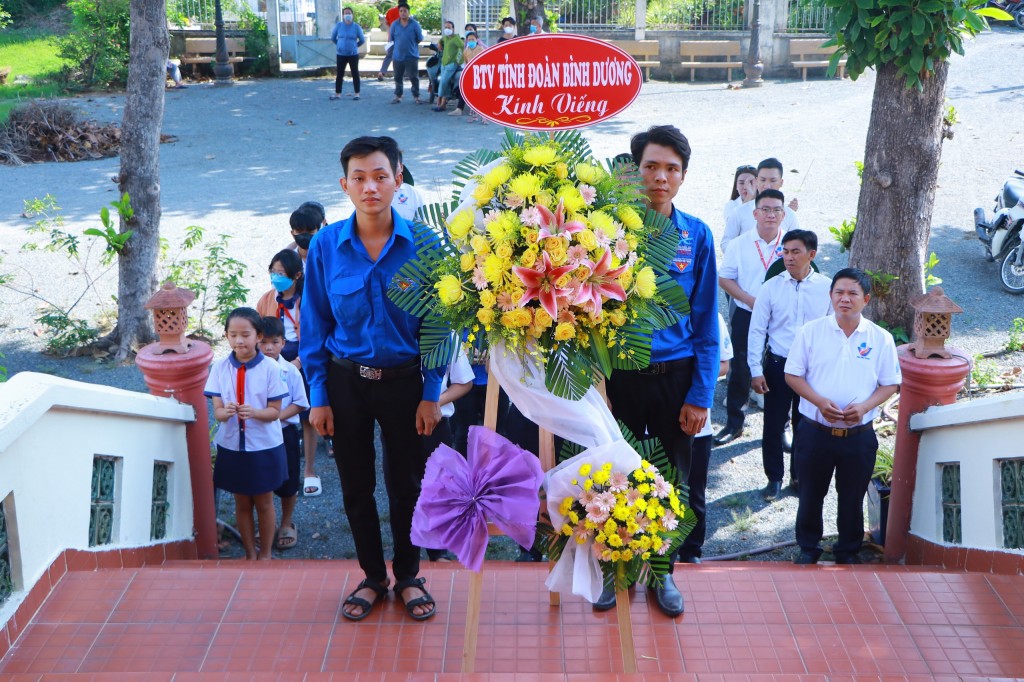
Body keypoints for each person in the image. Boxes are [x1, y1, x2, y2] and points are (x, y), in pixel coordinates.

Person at [300, 135, 444, 621]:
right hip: (347, 384)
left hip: (406, 384)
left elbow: (440, 324)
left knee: (408, 484)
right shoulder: (325, 245)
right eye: (359, 178)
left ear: (398, 179)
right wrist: (318, 396)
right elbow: (316, 324)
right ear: (345, 185)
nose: (370, 187)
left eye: (381, 176)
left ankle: (407, 575)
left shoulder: (426, 244)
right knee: (356, 485)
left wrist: (431, 393)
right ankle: (371, 577)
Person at [599, 125, 719, 617]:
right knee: (612, 477)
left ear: (684, 176)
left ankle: (663, 574)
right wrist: (598, 386)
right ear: (634, 171)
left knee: (674, 481)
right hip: (620, 376)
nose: (660, 177)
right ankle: (615, 569)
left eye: (671, 168)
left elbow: (707, 320)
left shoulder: (697, 235)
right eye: (651, 166)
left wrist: (701, 395)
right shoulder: (604, 231)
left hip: (676, 379)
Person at [785, 268, 901, 564]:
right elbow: (792, 375)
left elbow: (890, 383)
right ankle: (808, 548)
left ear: (866, 299)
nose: (844, 299)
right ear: (831, 296)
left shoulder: (881, 338)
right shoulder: (811, 332)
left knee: (852, 497)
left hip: (858, 436)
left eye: (852, 293)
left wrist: (864, 407)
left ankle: (847, 550)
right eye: (839, 293)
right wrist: (820, 401)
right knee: (811, 494)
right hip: (815, 431)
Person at [747, 229, 832, 500]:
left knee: (804, 424)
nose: (789, 257)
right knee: (773, 424)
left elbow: (832, 331)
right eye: (785, 251)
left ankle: (799, 476)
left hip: (810, 369)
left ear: (812, 254)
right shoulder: (771, 287)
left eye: (796, 251)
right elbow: (757, 330)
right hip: (777, 365)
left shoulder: (826, 288)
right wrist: (755, 370)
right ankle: (774, 478)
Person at [205, 308, 288, 561]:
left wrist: (255, 412)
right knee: (241, 502)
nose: (239, 340)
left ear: (258, 336)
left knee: (264, 502)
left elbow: (275, 412)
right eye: (233, 335)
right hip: (232, 445)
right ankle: (250, 553)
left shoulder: (270, 369)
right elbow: (217, 412)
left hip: (263, 445)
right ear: (226, 337)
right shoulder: (219, 368)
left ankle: (265, 554)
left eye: (245, 334)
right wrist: (225, 412)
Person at [714, 189, 787, 447]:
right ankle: (734, 423)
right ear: (755, 213)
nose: (770, 214)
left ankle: (781, 429)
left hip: (781, 317)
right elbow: (724, 278)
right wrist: (750, 300)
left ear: (784, 214)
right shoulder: (740, 244)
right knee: (741, 367)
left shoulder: (791, 244)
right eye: (765, 209)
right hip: (746, 312)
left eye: (776, 209)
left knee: (780, 367)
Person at [255, 249, 323, 497]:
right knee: (273, 411)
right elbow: (257, 334)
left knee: (306, 415)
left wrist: (298, 362)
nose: (275, 277)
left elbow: (317, 336)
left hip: (302, 360)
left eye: (280, 273)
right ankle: (276, 466)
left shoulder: (309, 299)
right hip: (271, 361)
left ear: (296, 276)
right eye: (272, 272)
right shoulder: (266, 299)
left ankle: (309, 470)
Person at [678, 313, 731, 564]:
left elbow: (724, 364)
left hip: (698, 423)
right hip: (649, 419)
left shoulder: (713, 318)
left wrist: (691, 378)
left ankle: (691, 551)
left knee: (693, 491)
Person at [258, 316, 310, 551]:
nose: (268, 347)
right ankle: (266, 523)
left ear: (283, 342)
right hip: (258, 435)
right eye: (264, 342)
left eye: (274, 342)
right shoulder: (249, 371)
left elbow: (300, 403)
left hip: (285, 433)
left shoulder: (290, 371)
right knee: (261, 480)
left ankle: (287, 522)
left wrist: (274, 415)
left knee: (288, 480)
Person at [420, 345, 474, 561]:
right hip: (398, 419)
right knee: (403, 488)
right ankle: (406, 553)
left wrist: (433, 403)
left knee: (437, 488)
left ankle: (436, 550)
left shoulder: (446, 333)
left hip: (436, 421)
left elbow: (464, 382)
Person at [721, 158, 800, 253]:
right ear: (757, 181)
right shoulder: (739, 212)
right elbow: (725, 244)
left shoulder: (790, 215)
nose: (767, 186)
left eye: (773, 180)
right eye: (763, 180)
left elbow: (797, 246)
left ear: (781, 182)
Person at [389, 3, 424, 105]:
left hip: (411, 55)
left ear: (409, 12)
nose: (403, 13)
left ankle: (416, 96)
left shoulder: (415, 24)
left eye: (405, 11)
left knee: (413, 77)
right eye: (401, 11)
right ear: (399, 13)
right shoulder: (395, 24)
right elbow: (392, 38)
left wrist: (411, 44)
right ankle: (398, 96)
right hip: (397, 56)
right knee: (397, 76)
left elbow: (419, 38)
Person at [330, 7, 365, 101]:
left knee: (355, 73)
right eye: (345, 13)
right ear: (343, 15)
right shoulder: (339, 26)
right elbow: (333, 38)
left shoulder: (356, 27)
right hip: (341, 54)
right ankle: (338, 94)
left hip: (353, 54)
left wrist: (355, 46)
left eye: (349, 13)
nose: (347, 15)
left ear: (352, 15)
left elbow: (362, 40)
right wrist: (339, 45)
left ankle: (357, 93)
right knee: (339, 74)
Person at [450, 31, 487, 119]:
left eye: (472, 39)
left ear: (476, 40)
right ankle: (459, 109)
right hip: (470, 73)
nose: (471, 41)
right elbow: (465, 63)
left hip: (480, 74)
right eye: (469, 40)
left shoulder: (481, 49)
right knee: (463, 89)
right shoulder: (466, 51)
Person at [432, 20, 464, 112]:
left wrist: (459, 60)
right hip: (444, 64)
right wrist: (439, 43)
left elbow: (462, 48)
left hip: (452, 64)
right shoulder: (446, 38)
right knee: (444, 83)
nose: (447, 29)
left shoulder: (456, 38)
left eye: (449, 27)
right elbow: (441, 40)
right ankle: (442, 104)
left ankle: (440, 104)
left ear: (453, 29)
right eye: (446, 27)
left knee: (443, 83)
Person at [376, 5, 400, 80]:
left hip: (391, 37)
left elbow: (385, 23)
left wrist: (389, 30)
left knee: (389, 55)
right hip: (402, 37)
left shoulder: (390, 11)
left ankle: (382, 72)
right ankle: (400, 73)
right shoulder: (405, 11)